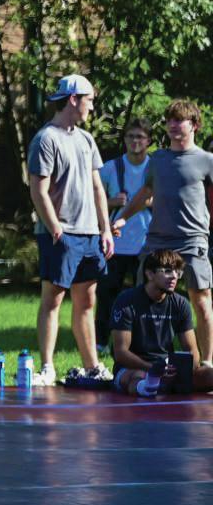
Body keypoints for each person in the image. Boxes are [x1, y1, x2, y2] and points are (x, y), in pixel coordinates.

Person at [25, 74, 113, 385]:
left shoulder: (86, 139)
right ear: (73, 99)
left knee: (87, 301)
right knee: (53, 298)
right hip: (60, 234)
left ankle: (92, 366)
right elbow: (39, 190)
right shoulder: (45, 139)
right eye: (89, 99)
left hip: (89, 234)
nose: (92, 105)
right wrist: (55, 229)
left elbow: (98, 188)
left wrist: (104, 229)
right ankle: (47, 368)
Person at [113, 99, 213, 362]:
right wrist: (122, 217)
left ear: (193, 125)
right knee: (140, 295)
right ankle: (138, 356)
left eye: (178, 120)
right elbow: (146, 194)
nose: (172, 125)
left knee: (201, 299)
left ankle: (206, 362)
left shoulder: (207, 160)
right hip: (157, 240)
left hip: (192, 240)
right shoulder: (157, 159)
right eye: (169, 120)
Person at [108, 249, 213, 396]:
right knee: (136, 378)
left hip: (168, 369)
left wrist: (185, 369)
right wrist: (152, 368)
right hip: (134, 368)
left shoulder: (180, 303)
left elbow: (191, 350)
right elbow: (121, 353)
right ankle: (148, 387)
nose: (174, 276)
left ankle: (164, 385)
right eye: (168, 271)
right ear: (149, 274)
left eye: (178, 272)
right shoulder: (126, 301)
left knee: (209, 375)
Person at [97, 117, 154, 329]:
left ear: (148, 141)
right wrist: (111, 202)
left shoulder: (155, 167)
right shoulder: (111, 168)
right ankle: (101, 340)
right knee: (107, 295)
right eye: (130, 136)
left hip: (146, 243)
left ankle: (141, 339)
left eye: (140, 137)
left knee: (145, 296)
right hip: (116, 243)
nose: (135, 141)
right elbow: (91, 202)